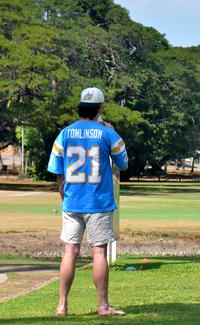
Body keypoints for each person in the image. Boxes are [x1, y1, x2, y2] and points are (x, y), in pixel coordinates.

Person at [47, 87, 128, 317]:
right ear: (100, 108)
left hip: (71, 202)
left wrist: (64, 194)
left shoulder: (65, 133)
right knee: (99, 253)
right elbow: (123, 162)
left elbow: (57, 169)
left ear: (80, 106)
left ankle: (62, 306)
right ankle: (103, 307)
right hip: (99, 203)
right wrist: (113, 132)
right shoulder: (106, 132)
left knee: (69, 252)